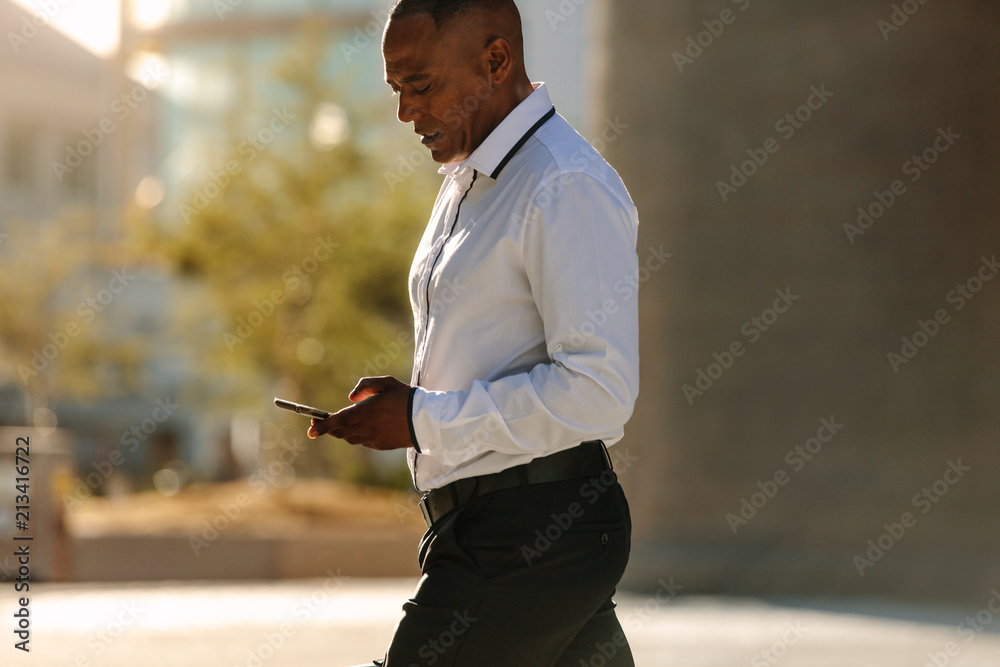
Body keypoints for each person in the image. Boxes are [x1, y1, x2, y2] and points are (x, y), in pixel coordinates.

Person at [309, 1, 640, 664]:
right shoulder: (467, 182)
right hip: (485, 527)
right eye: (397, 90)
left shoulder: (563, 184)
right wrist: (412, 404)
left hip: (536, 534)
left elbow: (600, 391)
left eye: (422, 85)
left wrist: (426, 419)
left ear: (496, 61)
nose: (406, 112)